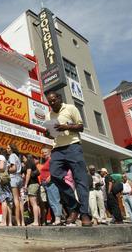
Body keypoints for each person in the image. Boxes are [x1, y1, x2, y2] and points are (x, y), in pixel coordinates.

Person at [45, 91, 91, 227]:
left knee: (80, 181)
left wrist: (66, 127)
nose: (52, 103)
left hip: (73, 146)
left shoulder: (71, 108)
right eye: (49, 101)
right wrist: (48, 133)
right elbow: (52, 135)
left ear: (59, 98)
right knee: (54, 175)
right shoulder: (49, 114)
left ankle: (84, 214)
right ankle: (73, 206)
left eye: (53, 100)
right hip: (57, 148)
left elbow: (80, 127)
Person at [39, 148, 63, 226]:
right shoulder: (47, 161)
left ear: (49, 152)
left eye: (45, 152)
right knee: (52, 201)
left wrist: (51, 176)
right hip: (46, 183)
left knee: (55, 200)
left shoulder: (52, 160)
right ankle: (57, 218)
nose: (44, 154)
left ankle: (58, 219)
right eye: (43, 153)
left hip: (51, 183)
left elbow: (56, 169)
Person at [0, 147, 13, 226]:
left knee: (3, 199)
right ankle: (9, 222)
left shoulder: (0, 157)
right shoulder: (5, 158)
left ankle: (4, 221)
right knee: (8, 201)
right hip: (4, 180)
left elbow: (1, 167)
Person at [7, 143, 23, 226]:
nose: (7, 149)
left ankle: (18, 222)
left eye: (8, 148)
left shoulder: (12, 156)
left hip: (14, 178)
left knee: (16, 200)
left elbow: (13, 169)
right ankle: (22, 222)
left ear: (12, 149)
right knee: (20, 200)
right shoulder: (17, 157)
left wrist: (6, 169)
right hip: (19, 178)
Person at [23, 154, 40, 226]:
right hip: (35, 184)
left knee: (33, 203)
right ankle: (38, 221)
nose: (22, 159)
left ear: (25, 157)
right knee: (36, 204)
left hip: (32, 184)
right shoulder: (31, 163)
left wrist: (26, 185)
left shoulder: (29, 162)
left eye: (23, 157)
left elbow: (28, 174)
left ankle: (36, 222)